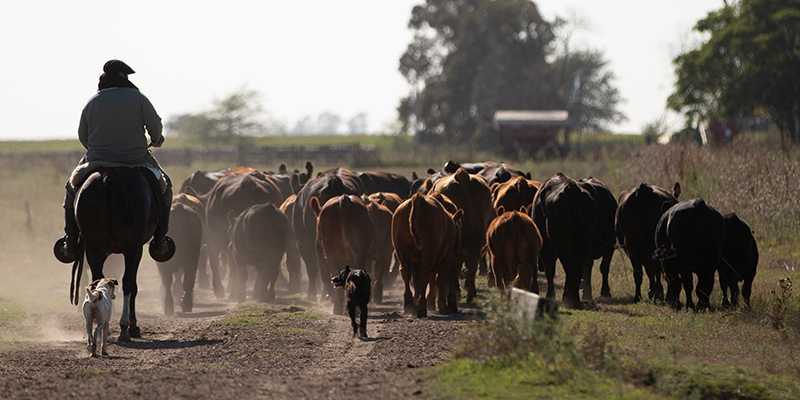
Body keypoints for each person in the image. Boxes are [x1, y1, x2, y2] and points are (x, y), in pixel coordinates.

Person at [59, 59, 172, 260]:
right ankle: (161, 239)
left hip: (98, 160)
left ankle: (70, 241)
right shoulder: (139, 98)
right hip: (137, 159)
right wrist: (156, 140)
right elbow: (155, 126)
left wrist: (97, 150)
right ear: (121, 76)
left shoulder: (93, 101)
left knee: (72, 188)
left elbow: (82, 135)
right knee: (165, 186)